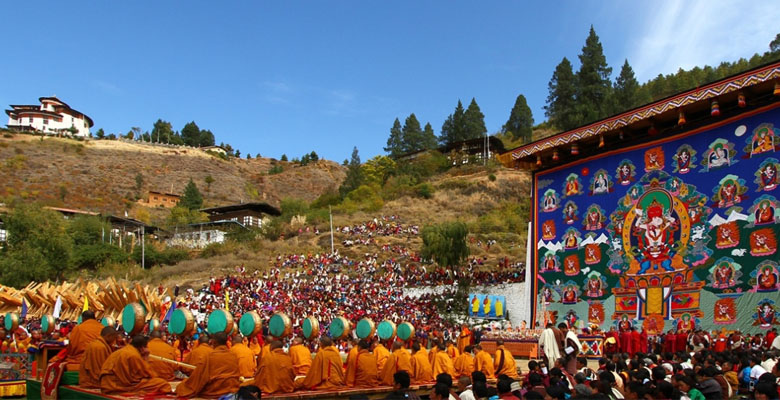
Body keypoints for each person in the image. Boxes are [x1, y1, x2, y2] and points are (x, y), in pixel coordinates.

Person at [98, 335, 172, 395]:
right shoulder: (133, 355)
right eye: (146, 347)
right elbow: (149, 374)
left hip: (106, 384)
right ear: (142, 347)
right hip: (118, 386)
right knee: (162, 384)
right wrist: (145, 358)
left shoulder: (123, 350)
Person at [176, 332, 241, 398]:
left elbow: (198, 379)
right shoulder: (234, 356)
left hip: (214, 392)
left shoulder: (209, 357)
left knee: (182, 387)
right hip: (233, 390)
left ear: (213, 342)